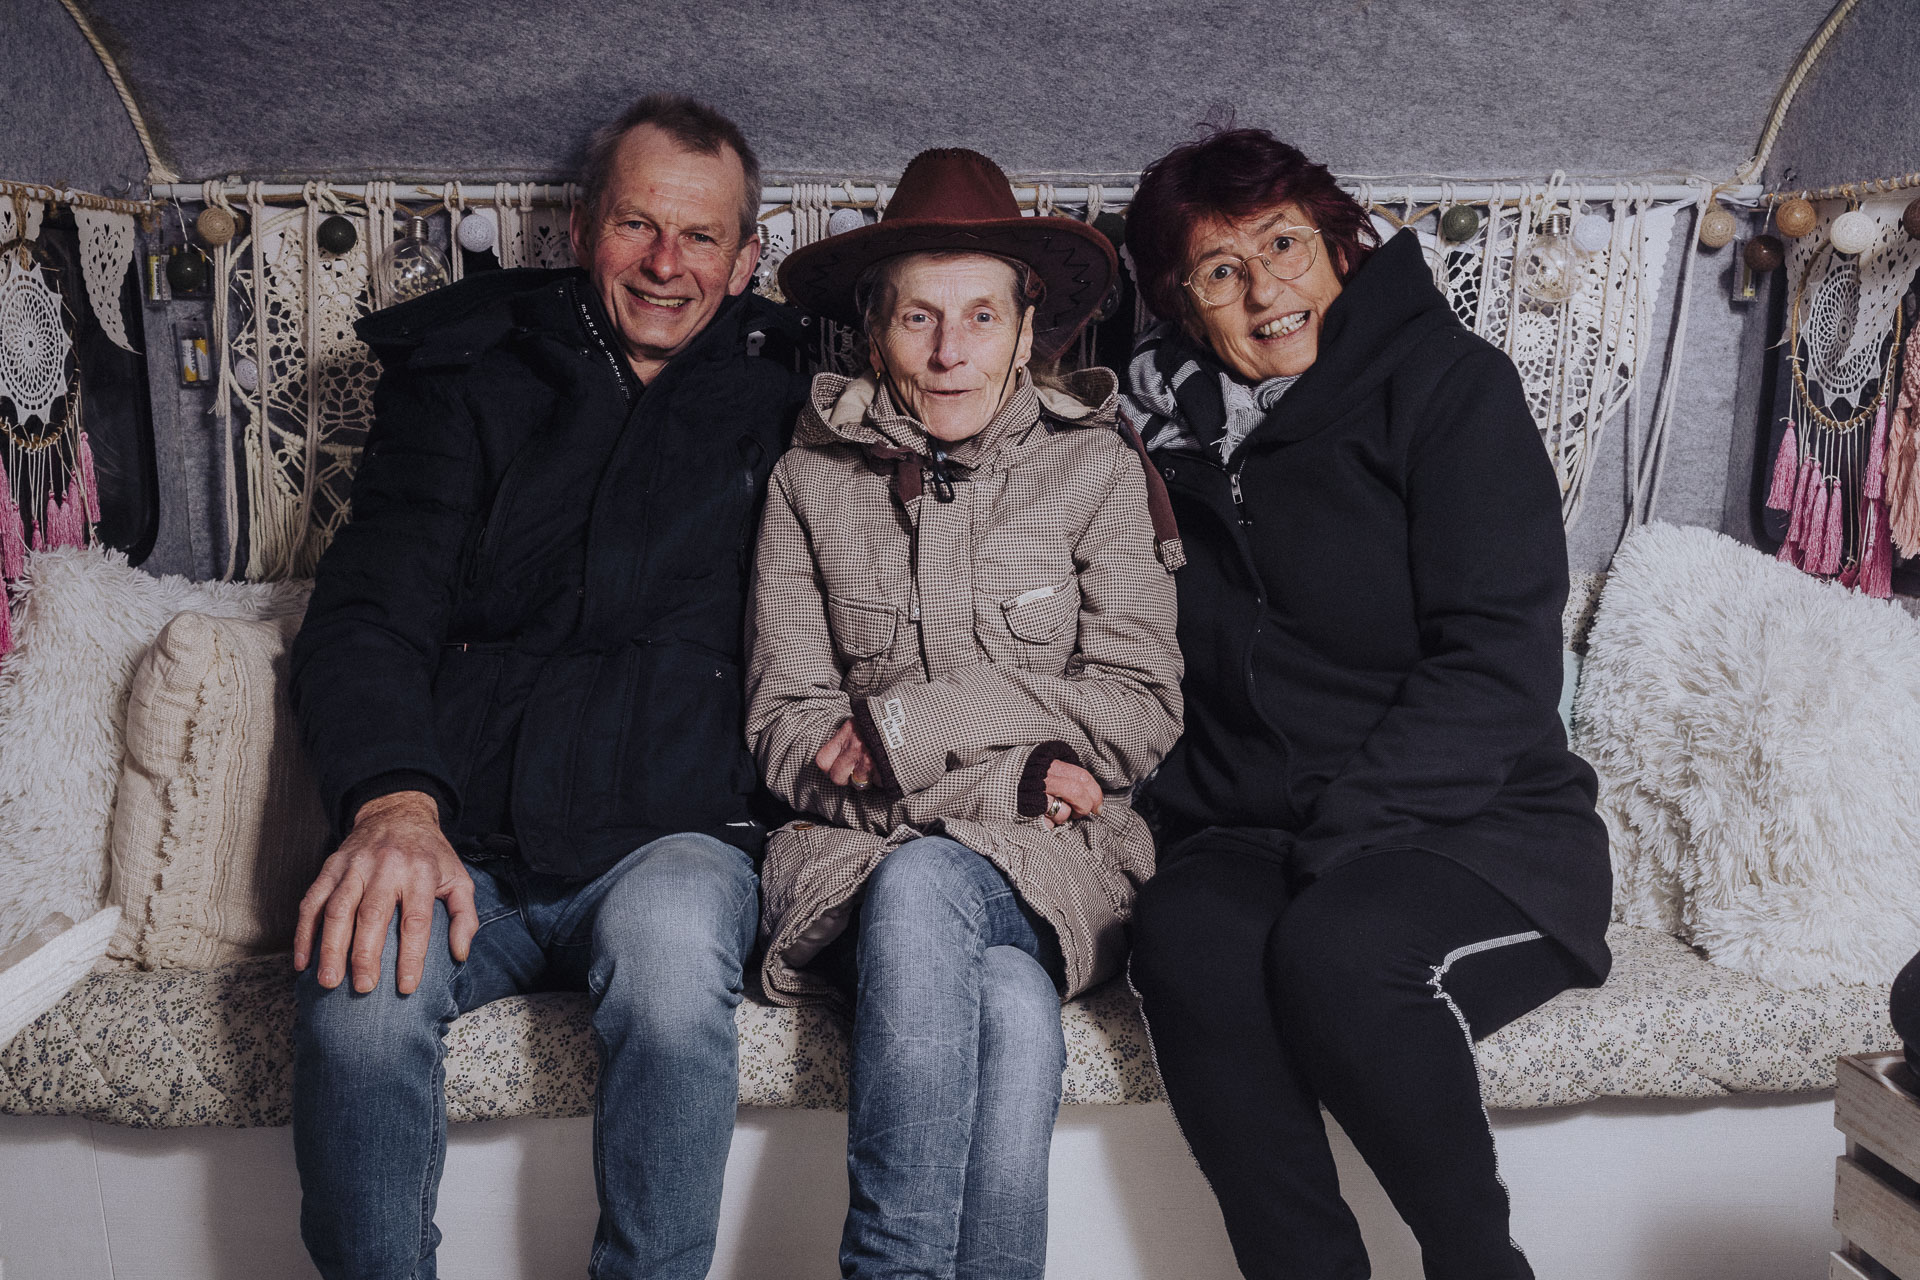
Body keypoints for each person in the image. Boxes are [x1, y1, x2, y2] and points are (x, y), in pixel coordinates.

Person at [286, 94, 807, 1280]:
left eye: (702, 236)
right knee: (357, 995)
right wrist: (393, 803)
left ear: (746, 258)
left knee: (674, 964)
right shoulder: (465, 376)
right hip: (462, 834)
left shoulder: (798, 407)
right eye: (637, 224)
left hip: (676, 837)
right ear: (582, 229)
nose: (667, 263)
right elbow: (367, 614)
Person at [1119, 126, 1613, 1280]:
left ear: (1339, 243)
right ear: (1183, 306)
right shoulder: (1153, 440)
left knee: (1338, 951)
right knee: (1186, 937)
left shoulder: (1450, 387)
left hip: (1479, 827)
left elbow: (1498, 660)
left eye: (1283, 244)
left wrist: (1346, 833)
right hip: (1254, 828)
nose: (1265, 289)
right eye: (1220, 269)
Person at [748, 147, 1184, 1280]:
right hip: (855, 857)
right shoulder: (807, 485)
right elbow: (786, 727)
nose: (951, 353)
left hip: (1061, 857)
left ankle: (887, 1267)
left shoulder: (1094, 473)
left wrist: (930, 721)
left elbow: (1140, 708)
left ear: (1027, 327)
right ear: (871, 331)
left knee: (933, 886)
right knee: (1008, 1004)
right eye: (918, 319)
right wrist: (1010, 773)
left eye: (982, 317)